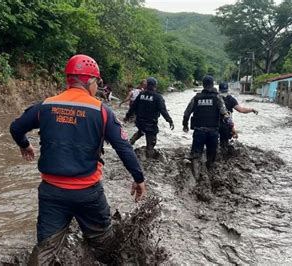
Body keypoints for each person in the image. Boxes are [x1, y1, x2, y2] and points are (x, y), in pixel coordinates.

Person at [9, 54, 146, 265]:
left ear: (68, 80)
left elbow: (16, 127)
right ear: (91, 81)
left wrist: (25, 145)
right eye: (97, 83)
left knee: (45, 250)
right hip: (88, 193)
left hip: (52, 193)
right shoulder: (101, 111)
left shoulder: (45, 106)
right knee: (104, 246)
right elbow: (123, 147)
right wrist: (138, 178)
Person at [182, 75, 232, 177]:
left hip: (199, 131)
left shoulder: (196, 98)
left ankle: (196, 177)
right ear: (213, 84)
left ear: (203, 85)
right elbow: (225, 114)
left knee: (196, 155)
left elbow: (187, 113)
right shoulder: (217, 97)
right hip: (213, 132)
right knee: (211, 155)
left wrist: (185, 125)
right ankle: (209, 177)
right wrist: (230, 127)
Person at [125, 77, 174, 158]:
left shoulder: (141, 95)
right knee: (150, 145)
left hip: (139, 122)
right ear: (155, 86)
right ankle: (149, 162)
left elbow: (133, 107)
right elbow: (163, 110)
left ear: (147, 85)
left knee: (141, 131)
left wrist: (127, 116)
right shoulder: (158, 97)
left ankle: (128, 144)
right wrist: (170, 121)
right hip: (151, 124)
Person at [218, 82, 258, 149]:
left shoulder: (215, 98)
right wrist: (252, 109)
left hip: (215, 125)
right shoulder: (231, 99)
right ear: (227, 90)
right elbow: (241, 110)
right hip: (226, 124)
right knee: (224, 144)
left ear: (219, 90)